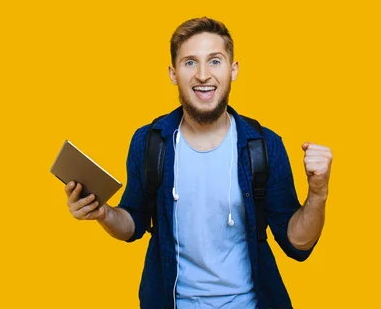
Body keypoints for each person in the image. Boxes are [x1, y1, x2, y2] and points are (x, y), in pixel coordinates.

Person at [64, 17, 333, 309]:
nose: (203, 75)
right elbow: (133, 223)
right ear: (173, 73)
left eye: (214, 61)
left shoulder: (264, 145)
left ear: (233, 70)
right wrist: (103, 213)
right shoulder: (150, 142)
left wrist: (318, 194)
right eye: (190, 63)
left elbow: (297, 243)